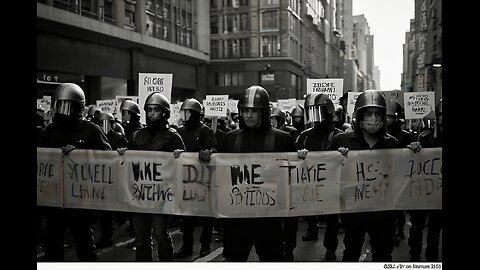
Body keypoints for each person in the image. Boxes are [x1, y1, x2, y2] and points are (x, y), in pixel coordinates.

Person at [219, 85, 296, 262]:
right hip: (237, 221)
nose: (248, 115)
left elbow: (293, 184)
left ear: (264, 113)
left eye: (254, 111)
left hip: (269, 222)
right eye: (245, 110)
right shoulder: (230, 139)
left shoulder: (282, 139)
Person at [38, 83, 112, 261]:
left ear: (78, 107)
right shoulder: (50, 131)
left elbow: (108, 160)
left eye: (68, 106)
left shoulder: (91, 130)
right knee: (53, 244)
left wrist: (79, 153)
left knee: (84, 241)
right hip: (55, 197)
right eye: (60, 105)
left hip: (81, 198)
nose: (64, 111)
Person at [326, 89, 401, 262]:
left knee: (383, 255)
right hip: (354, 214)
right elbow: (325, 170)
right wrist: (334, 158)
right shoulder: (342, 140)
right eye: (368, 114)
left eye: (377, 114)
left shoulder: (392, 143)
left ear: (383, 117)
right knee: (351, 253)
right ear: (360, 116)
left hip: (384, 215)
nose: (373, 119)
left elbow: (401, 176)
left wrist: (413, 154)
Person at [117, 92, 186, 261]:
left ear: (164, 113)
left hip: (161, 196)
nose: (152, 113)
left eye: (156, 110)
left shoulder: (173, 136)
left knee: (160, 235)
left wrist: (181, 155)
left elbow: (184, 165)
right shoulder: (136, 135)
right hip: (139, 195)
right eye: (149, 110)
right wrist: (124, 153)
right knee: (141, 238)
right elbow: (128, 162)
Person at [296, 92, 344, 261]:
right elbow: (294, 158)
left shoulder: (340, 136)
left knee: (331, 218)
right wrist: (299, 154)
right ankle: (311, 230)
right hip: (309, 184)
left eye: (319, 112)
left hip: (331, 185)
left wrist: (343, 153)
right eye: (311, 112)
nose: (315, 118)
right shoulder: (304, 135)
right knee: (309, 211)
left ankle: (331, 247)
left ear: (328, 112)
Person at [173, 98, 218, 259]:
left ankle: (205, 245)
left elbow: (215, 150)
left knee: (206, 216)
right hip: (186, 181)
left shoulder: (205, 131)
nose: (183, 115)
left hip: (204, 180)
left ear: (194, 114)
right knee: (187, 217)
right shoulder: (180, 131)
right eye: (182, 111)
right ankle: (187, 245)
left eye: (187, 112)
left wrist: (210, 152)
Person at [408, 99, 442, 262]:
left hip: (439, 192)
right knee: (417, 226)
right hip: (421, 191)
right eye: (441, 114)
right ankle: (414, 256)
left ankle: (432, 258)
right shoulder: (425, 137)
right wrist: (414, 147)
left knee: (435, 228)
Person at [94, 112, 129, 249]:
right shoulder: (96, 136)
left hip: (116, 175)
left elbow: (128, 153)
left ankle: (125, 222)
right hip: (102, 177)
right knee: (105, 209)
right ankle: (106, 235)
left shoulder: (119, 137)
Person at [386, 100, 415, 246]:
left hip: (400, 176)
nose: (386, 120)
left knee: (398, 208)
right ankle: (389, 232)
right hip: (383, 176)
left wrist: (414, 146)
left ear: (396, 118)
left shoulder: (406, 136)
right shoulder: (378, 135)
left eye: (389, 117)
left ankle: (398, 230)